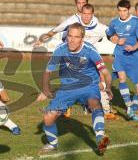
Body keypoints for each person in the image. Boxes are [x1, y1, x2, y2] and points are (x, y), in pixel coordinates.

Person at [37, 23, 112, 154]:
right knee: (48, 117)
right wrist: (45, 89)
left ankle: (100, 137)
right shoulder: (61, 49)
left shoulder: (90, 50)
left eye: (76, 37)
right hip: (67, 89)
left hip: (88, 86)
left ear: (82, 38)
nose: (71, 40)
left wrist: (108, 87)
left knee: (94, 104)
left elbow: (105, 72)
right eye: (69, 36)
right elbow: (47, 71)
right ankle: (52, 144)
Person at [35, 0, 92, 117]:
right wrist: (42, 39)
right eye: (79, 3)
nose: (81, 5)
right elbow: (56, 30)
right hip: (68, 54)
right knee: (67, 81)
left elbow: (104, 32)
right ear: (76, 5)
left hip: (85, 55)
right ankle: (66, 106)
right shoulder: (71, 20)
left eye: (83, 3)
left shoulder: (94, 21)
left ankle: (87, 104)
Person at [106, 0, 138, 121]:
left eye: (124, 11)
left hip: (134, 57)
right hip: (120, 55)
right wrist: (114, 39)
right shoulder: (114, 23)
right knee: (122, 78)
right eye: (120, 11)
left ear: (129, 10)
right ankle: (128, 107)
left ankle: (131, 111)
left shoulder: (136, 21)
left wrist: (133, 47)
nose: (122, 13)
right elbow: (109, 35)